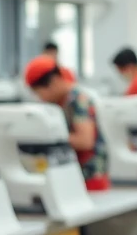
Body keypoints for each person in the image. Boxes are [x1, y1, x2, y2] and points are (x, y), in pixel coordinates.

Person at [24, 56, 110, 190]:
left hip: (90, 177)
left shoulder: (78, 100)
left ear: (53, 82)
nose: (40, 98)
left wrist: (46, 139)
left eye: (39, 93)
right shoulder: (58, 102)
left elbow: (85, 140)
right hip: (72, 176)